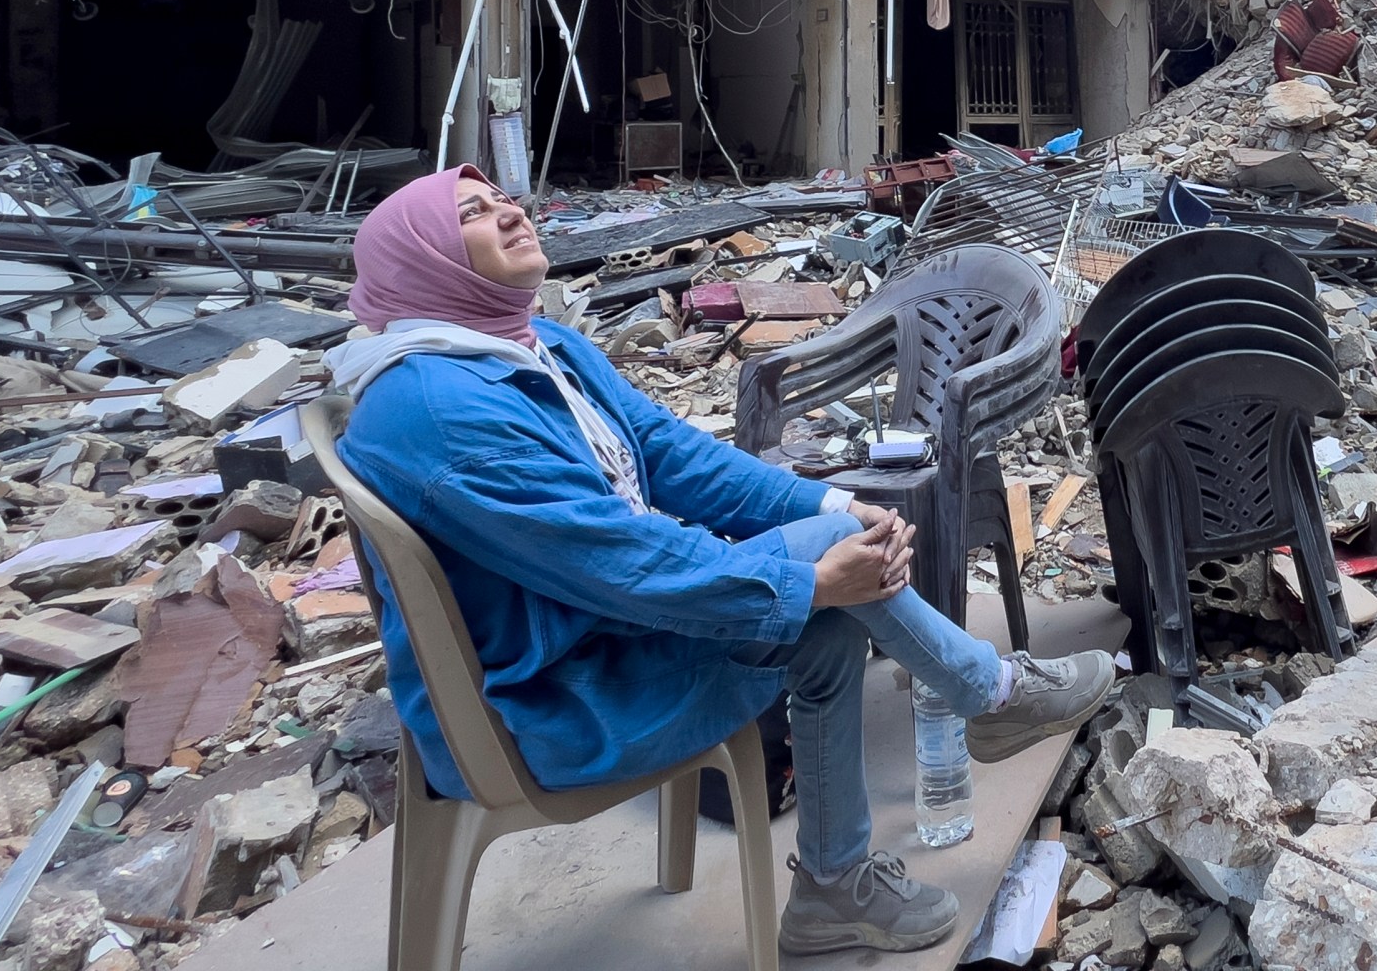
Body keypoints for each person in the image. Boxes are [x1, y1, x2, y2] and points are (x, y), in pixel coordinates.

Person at [325, 167, 1117, 955]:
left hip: (603, 639)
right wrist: (810, 576)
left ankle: (834, 887)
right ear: (422, 258)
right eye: (471, 211)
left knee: (831, 609)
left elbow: (669, 455)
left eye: (503, 197)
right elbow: (620, 560)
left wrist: (832, 507)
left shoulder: (527, 344)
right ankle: (987, 692)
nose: (508, 213)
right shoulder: (438, 408)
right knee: (822, 587)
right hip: (551, 700)